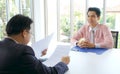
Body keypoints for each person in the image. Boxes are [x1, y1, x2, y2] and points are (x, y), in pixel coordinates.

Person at [0, 14, 70, 74]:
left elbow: (18, 64)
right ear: (24, 33)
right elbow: (50, 73)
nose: (31, 35)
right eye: (30, 32)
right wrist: (63, 63)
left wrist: (36, 56)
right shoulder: (23, 51)